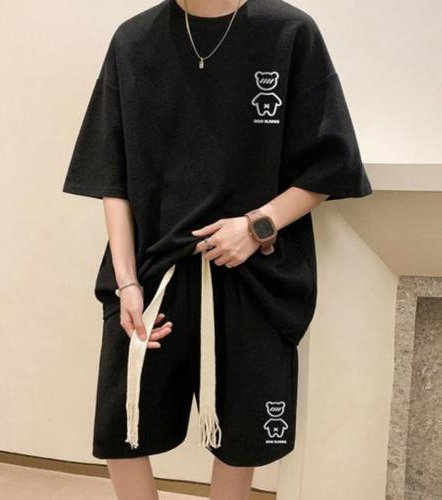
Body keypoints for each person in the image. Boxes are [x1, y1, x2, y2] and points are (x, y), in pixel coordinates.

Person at [62, 0, 373, 498]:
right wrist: (126, 282)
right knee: (121, 431)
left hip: (250, 274)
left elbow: (330, 167)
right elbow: (111, 178)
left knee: (239, 440)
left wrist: (256, 226)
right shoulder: (134, 40)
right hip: (151, 270)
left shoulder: (289, 32)